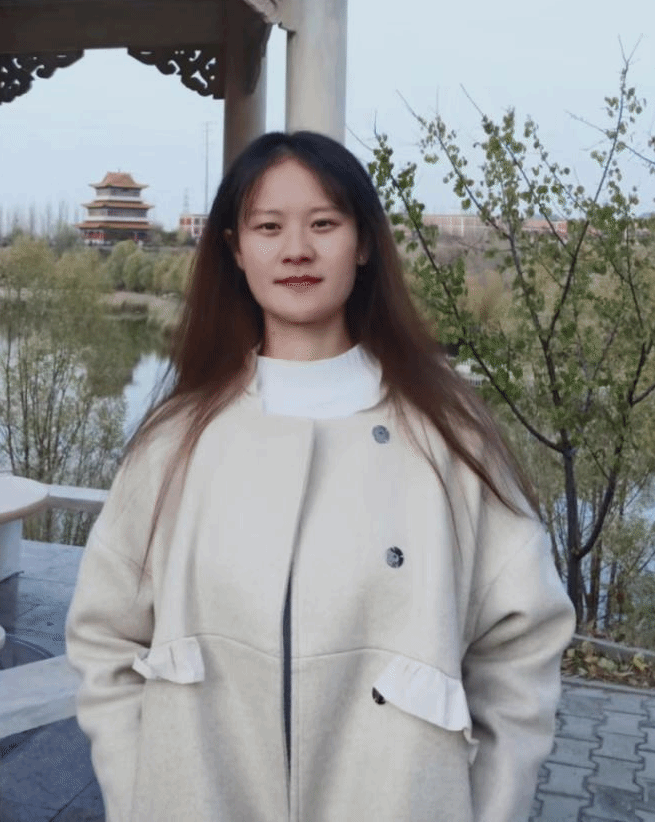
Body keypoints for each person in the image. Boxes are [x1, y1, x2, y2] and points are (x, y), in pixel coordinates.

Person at [65, 131, 575, 822]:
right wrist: (141, 793)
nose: (296, 250)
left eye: (324, 224)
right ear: (235, 249)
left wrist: (485, 807)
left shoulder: (447, 432)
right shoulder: (178, 439)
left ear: (363, 243)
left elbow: (521, 643)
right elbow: (105, 636)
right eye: (268, 227)